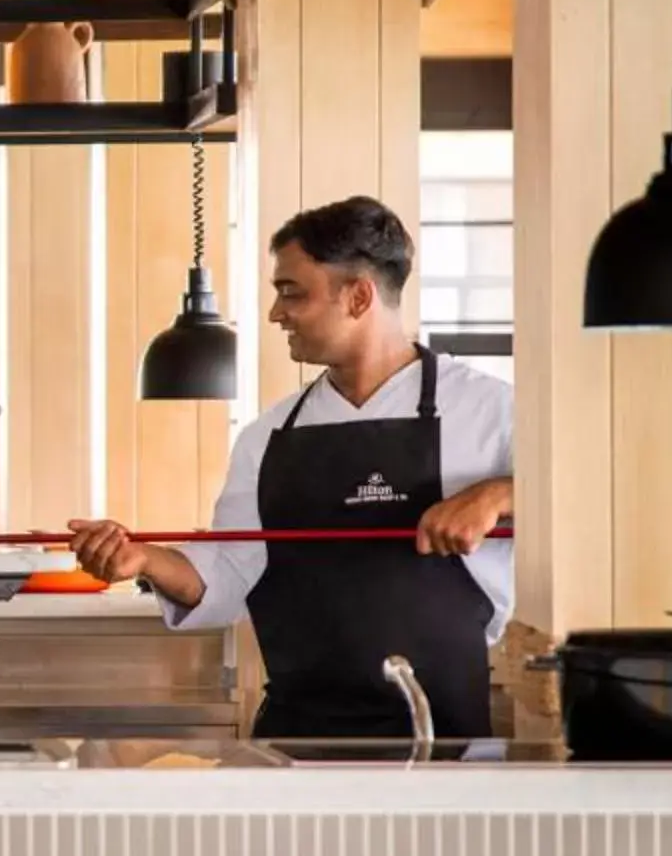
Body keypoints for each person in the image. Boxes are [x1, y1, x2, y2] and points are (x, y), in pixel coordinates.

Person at [67, 196, 515, 742]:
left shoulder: (490, 409)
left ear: (358, 296)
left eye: (290, 292)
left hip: (446, 744)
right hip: (296, 740)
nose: (276, 313)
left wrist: (497, 494)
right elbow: (230, 573)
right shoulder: (268, 436)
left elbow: (580, 503)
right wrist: (143, 559)